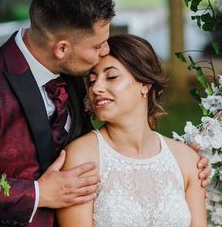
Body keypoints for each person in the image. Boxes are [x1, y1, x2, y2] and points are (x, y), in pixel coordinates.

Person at [0, 0, 209, 227]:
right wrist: (39, 193)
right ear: (61, 48)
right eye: (98, 46)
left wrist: (176, 166)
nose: (105, 51)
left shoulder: (76, 74)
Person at [57, 34, 207, 227]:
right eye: (92, 81)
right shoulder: (82, 157)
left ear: (144, 84)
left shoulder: (186, 160)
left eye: (111, 76)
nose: (96, 88)